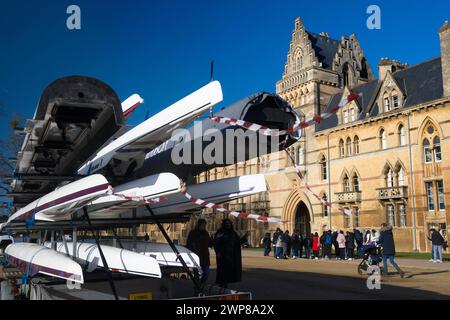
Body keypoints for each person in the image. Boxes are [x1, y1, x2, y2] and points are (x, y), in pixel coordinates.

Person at [213, 219, 248, 288]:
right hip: (223, 255)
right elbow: (216, 243)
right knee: (223, 270)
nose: (228, 225)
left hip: (231, 255)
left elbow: (238, 242)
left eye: (229, 223)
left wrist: (245, 237)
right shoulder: (220, 232)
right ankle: (222, 284)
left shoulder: (233, 233)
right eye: (226, 223)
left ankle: (225, 284)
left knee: (229, 271)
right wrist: (218, 252)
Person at [186, 219, 213, 285]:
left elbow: (209, 243)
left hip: (205, 257)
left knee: (206, 272)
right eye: (203, 225)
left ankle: (201, 284)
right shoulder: (193, 233)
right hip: (196, 257)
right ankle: (197, 287)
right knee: (197, 274)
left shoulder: (206, 233)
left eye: (205, 225)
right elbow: (189, 245)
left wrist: (212, 240)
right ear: (199, 225)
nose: (204, 226)